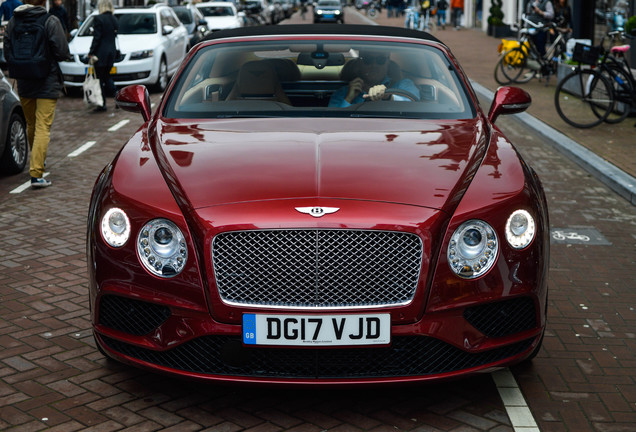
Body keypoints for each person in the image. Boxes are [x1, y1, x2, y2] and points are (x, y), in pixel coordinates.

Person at [4, 0, 69, 188]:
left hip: (24, 80)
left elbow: (7, 52)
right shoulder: (50, 20)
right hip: (47, 80)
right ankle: (37, 172)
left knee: (31, 123)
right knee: (43, 126)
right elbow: (62, 51)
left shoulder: (13, 22)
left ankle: (37, 160)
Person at [328, 51, 419, 107]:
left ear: (388, 63)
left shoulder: (403, 85)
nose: (374, 65)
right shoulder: (342, 93)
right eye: (368, 60)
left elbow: (415, 106)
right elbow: (331, 123)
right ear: (359, 63)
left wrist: (388, 96)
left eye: (381, 60)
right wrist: (348, 98)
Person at [88, 0, 118, 112]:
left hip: (101, 54)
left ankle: (102, 104)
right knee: (107, 76)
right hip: (111, 53)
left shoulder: (99, 18)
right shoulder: (114, 19)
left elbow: (97, 37)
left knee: (100, 78)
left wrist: (91, 52)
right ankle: (117, 97)